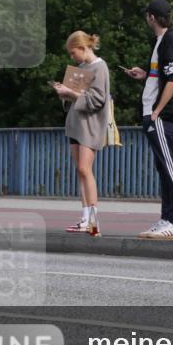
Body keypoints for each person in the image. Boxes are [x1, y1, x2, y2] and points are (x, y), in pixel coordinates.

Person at [123, 0, 173, 240]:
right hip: (153, 112)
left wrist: (157, 110)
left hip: (160, 114)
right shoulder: (160, 42)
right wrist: (144, 74)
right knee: (163, 167)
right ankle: (166, 218)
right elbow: (162, 74)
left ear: (152, 17)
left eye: (146, 15)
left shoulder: (170, 40)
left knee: (170, 167)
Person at [53, 31, 111, 236]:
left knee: (85, 169)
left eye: (73, 52)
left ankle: (94, 222)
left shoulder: (100, 67)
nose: (72, 57)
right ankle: (85, 218)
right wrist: (64, 92)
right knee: (80, 170)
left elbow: (97, 100)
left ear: (83, 48)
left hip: (91, 125)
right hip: (76, 123)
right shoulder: (81, 68)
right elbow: (74, 98)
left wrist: (71, 93)